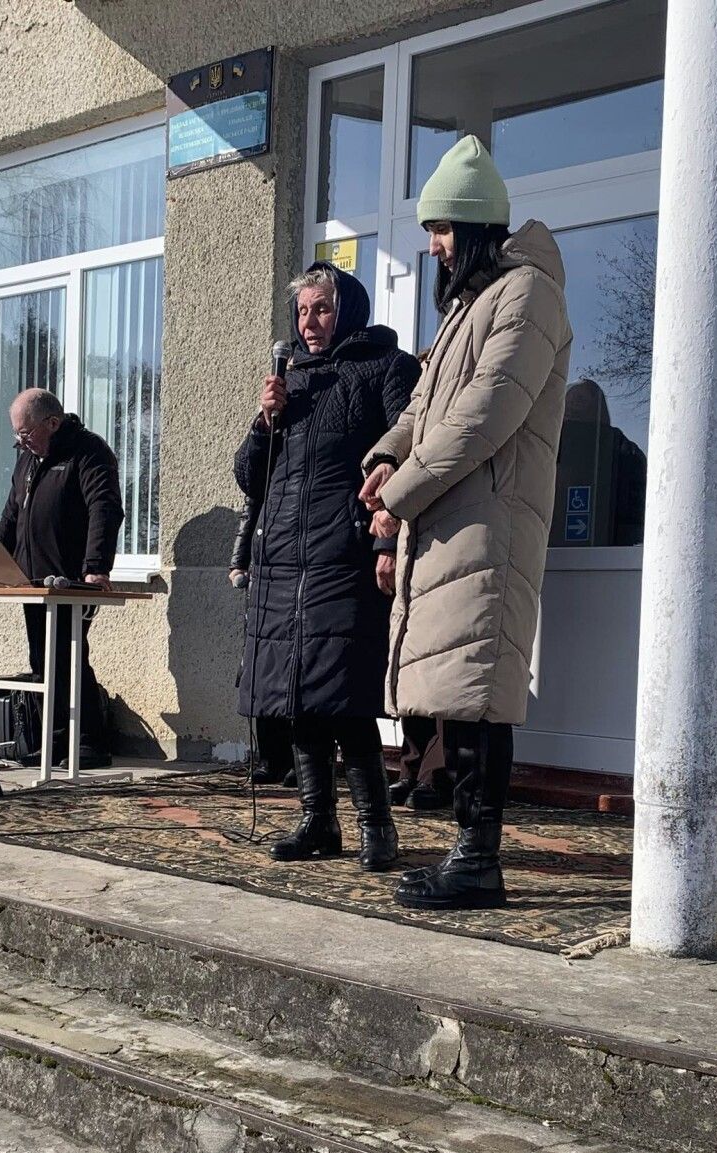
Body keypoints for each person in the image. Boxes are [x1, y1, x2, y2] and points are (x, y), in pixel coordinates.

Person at [360, 135, 572, 910]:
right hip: (451, 521)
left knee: (480, 694)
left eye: (443, 228)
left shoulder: (528, 295)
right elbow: (424, 406)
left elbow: (486, 415)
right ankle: (466, 852)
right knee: (458, 695)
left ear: (478, 225)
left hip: (490, 527)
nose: (433, 245)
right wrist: (387, 457)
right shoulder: (470, 305)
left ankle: (479, 861)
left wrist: (402, 492)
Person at [234, 262, 419, 870]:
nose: (310, 322)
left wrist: (386, 541)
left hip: (343, 558)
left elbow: (407, 451)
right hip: (283, 563)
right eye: (303, 311)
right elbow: (250, 477)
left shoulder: (386, 367)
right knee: (296, 697)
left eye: (322, 309)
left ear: (349, 310)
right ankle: (318, 821)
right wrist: (264, 422)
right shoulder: (291, 382)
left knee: (345, 697)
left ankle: (376, 826)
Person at [0, 388, 123, 770]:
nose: (21, 442)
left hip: (71, 581)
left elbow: (104, 508)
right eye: (16, 434)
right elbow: (11, 518)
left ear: (52, 423)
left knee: (68, 655)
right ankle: (53, 741)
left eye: (25, 433)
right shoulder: (29, 460)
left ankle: (89, 742)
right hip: (31, 581)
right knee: (41, 659)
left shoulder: (88, 451)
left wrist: (96, 566)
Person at [229, 494, 295, 786]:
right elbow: (251, 505)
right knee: (261, 670)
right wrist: (238, 561)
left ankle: (298, 760)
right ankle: (270, 758)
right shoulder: (270, 469)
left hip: (302, 563)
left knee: (294, 668)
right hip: (265, 568)